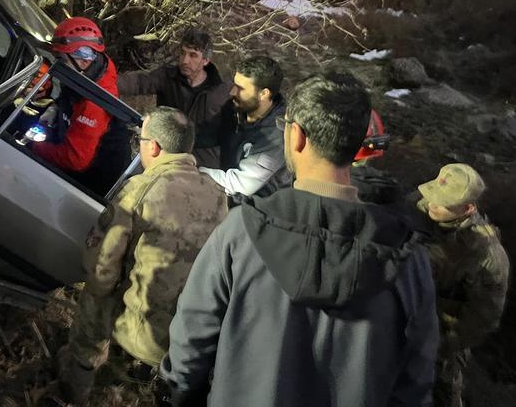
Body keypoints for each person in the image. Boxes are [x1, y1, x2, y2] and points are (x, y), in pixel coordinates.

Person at [160, 72, 439, 407]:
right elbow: (415, 382)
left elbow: (191, 342)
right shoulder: (408, 258)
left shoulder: (241, 232)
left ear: (297, 137)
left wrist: (178, 396)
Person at [58, 107, 227, 406]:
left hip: (140, 330)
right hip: (188, 336)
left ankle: (77, 381)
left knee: (96, 289)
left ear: (154, 147)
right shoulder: (217, 194)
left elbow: (101, 269)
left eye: (140, 139)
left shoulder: (139, 190)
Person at [416, 163, 510, 407]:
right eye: (433, 194)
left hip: (441, 337)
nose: (433, 204)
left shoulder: (487, 256)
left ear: (468, 208)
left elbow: (483, 318)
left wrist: (443, 346)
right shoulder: (414, 210)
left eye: (444, 203)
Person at [31, 16, 129, 194]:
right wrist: (56, 108)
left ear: (84, 60)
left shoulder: (95, 102)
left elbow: (75, 159)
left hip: (87, 187)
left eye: (60, 59)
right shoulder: (84, 74)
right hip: (73, 161)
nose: (57, 65)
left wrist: (32, 146)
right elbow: (68, 98)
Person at [117, 28, 229, 168]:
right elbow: (139, 82)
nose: (185, 60)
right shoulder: (167, 76)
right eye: (182, 53)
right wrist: (106, 82)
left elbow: (226, 134)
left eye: (193, 55)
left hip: (200, 165)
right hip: (162, 153)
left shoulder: (221, 93)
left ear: (205, 60)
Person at [198, 56, 288, 197]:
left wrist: (188, 172)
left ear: (264, 94)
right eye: (234, 85)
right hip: (231, 200)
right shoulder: (235, 109)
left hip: (260, 210)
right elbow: (205, 133)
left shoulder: (277, 135)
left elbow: (239, 184)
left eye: (240, 88)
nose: (232, 92)